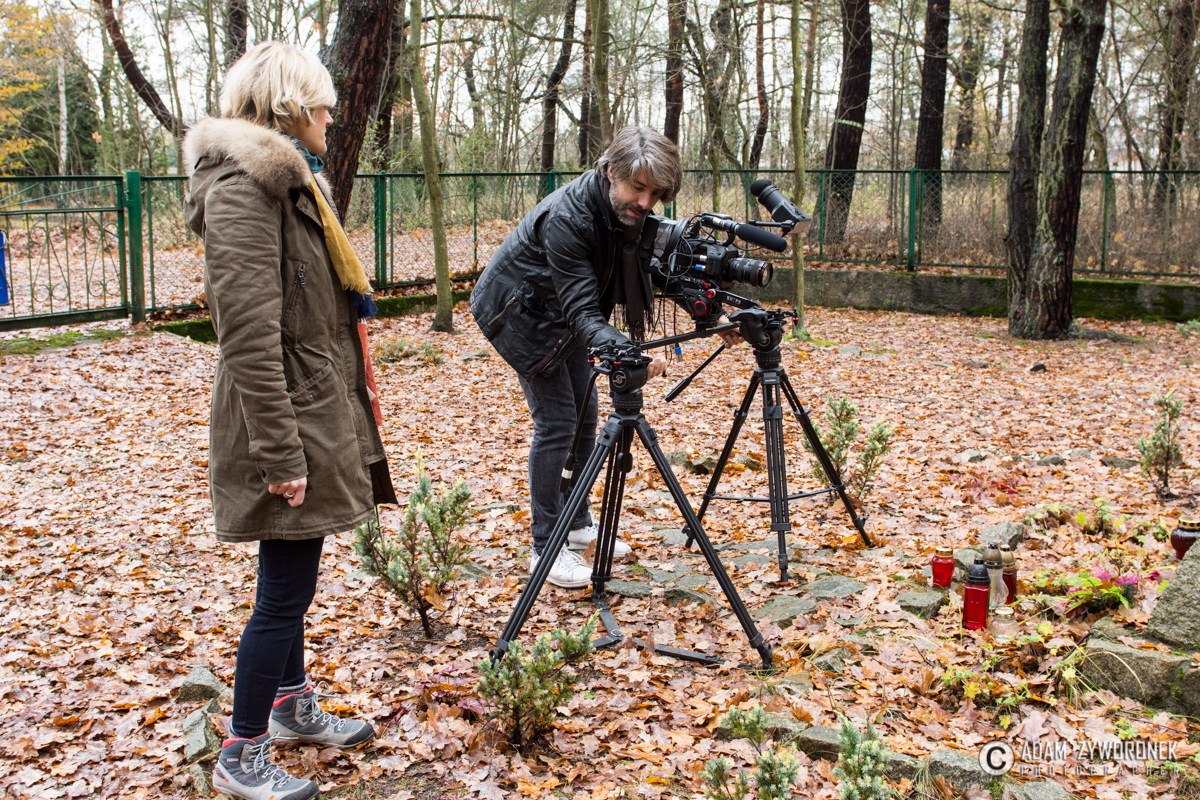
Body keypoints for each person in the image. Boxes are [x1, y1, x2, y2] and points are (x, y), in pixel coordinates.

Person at [182, 41, 396, 800]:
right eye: (324, 106)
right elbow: (247, 335)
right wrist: (280, 454)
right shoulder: (244, 191)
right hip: (283, 417)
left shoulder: (291, 183)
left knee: (294, 576)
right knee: (282, 592)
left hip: (312, 403)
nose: (333, 119)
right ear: (289, 108)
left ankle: (290, 704)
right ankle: (241, 751)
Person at [471, 126, 739, 590]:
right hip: (520, 316)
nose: (646, 202)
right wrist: (624, 351)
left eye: (655, 194)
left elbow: (654, 269)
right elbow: (581, 309)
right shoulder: (568, 218)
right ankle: (545, 548)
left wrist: (713, 315)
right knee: (558, 421)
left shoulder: (622, 211)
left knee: (586, 416)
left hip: (564, 316)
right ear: (611, 171)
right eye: (639, 188)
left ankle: (576, 524)